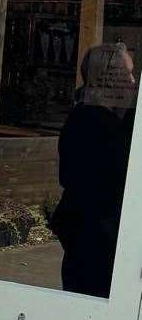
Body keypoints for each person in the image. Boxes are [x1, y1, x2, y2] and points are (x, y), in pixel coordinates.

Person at [51, 43, 136, 298]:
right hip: (96, 238)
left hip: (86, 232)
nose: (133, 81)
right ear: (108, 79)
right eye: (128, 74)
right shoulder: (98, 125)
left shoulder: (86, 117)